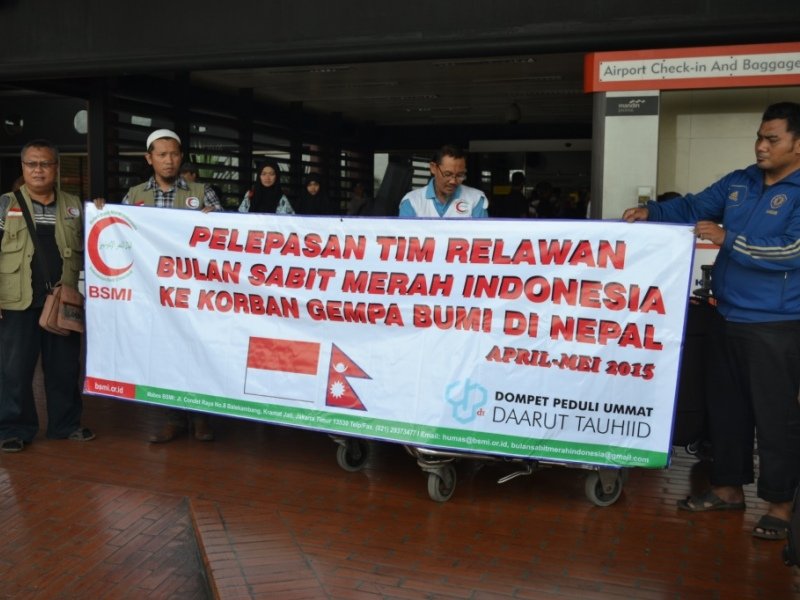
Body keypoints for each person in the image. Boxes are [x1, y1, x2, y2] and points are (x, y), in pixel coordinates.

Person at [622, 101, 800, 541]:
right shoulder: (740, 182)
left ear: (797, 144)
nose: (761, 146)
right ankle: (727, 489)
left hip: (776, 325)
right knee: (726, 409)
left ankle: (780, 504)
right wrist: (653, 212)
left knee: (775, 418)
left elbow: (790, 250)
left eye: (772, 138)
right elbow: (695, 205)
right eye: (759, 136)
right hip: (726, 314)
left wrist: (729, 238)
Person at [97, 129, 222, 442]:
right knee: (165, 354)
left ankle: (202, 417)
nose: (169, 160)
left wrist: (216, 219)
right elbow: (118, 234)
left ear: (181, 157)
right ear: (149, 158)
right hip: (155, 293)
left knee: (198, 352)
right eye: (162, 155)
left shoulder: (201, 192)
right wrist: (101, 214)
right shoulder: (135, 195)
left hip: (194, 293)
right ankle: (174, 419)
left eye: (174, 154)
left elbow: (225, 237)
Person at [0, 139, 95, 452]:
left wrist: (103, 213)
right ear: (23, 167)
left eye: (45, 164)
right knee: (14, 369)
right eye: (32, 164)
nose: (38, 170)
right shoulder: (5, 205)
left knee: (65, 367)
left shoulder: (74, 206)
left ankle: (65, 425)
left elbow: (97, 243)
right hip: (16, 301)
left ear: (56, 168)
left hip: (63, 299)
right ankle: (14, 429)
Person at [398, 145, 488, 218]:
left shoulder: (475, 199)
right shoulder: (412, 201)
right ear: (433, 168)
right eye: (448, 174)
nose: (453, 181)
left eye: (460, 175)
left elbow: (483, 237)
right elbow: (404, 238)